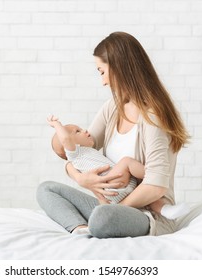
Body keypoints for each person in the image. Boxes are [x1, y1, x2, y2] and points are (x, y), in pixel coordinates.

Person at [37, 31, 190, 238]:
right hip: (110, 206)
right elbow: (77, 150)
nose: (103, 82)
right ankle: (80, 228)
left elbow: (155, 186)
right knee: (46, 190)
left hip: (146, 214)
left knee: (103, 217)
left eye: (102, 71)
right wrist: (81, 179)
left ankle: (98, 221)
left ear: (119, 68)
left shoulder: (153, 117)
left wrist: (117, 209)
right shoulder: (112, 109)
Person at [46, 114, 189, 220]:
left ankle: (166, 210)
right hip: (111, 185)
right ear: (69, 146)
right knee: (126, 161)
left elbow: (68, 142)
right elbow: (65, 138)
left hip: (119, 192)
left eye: (80, 128)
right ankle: (153, 175)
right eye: (77, 132)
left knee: (149, 199)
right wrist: (57, 124)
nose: (84, 130)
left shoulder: (85, 153)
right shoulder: (75, 154)